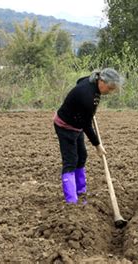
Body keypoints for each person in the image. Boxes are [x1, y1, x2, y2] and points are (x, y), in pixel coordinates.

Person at [54, 68, 124, 203]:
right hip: (65, 125)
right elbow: (87, 125)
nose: (109, 92)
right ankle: (72, 201)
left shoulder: (91, 80)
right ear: (101, 81)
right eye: (109, 88)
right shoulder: (87, 96)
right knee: (71, 161)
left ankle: (81, 191)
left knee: (82, 155)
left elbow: (79, 81)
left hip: (77, 123)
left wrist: (83, 110)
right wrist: (97, 145)